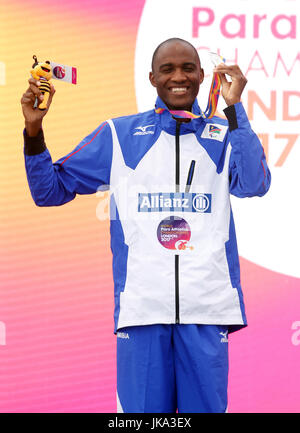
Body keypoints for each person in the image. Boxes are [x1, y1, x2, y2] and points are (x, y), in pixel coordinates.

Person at [21, 38, 271, 413]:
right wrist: (34, 131)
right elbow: (49, 190)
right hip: (141, 312)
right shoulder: (118, 135)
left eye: (188, 68)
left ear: (203, 76)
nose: (179, 77)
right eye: (167, 69)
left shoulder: (222, 135)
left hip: (206, 311)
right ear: (151, 77)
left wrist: (235, 109)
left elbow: (254, 183)